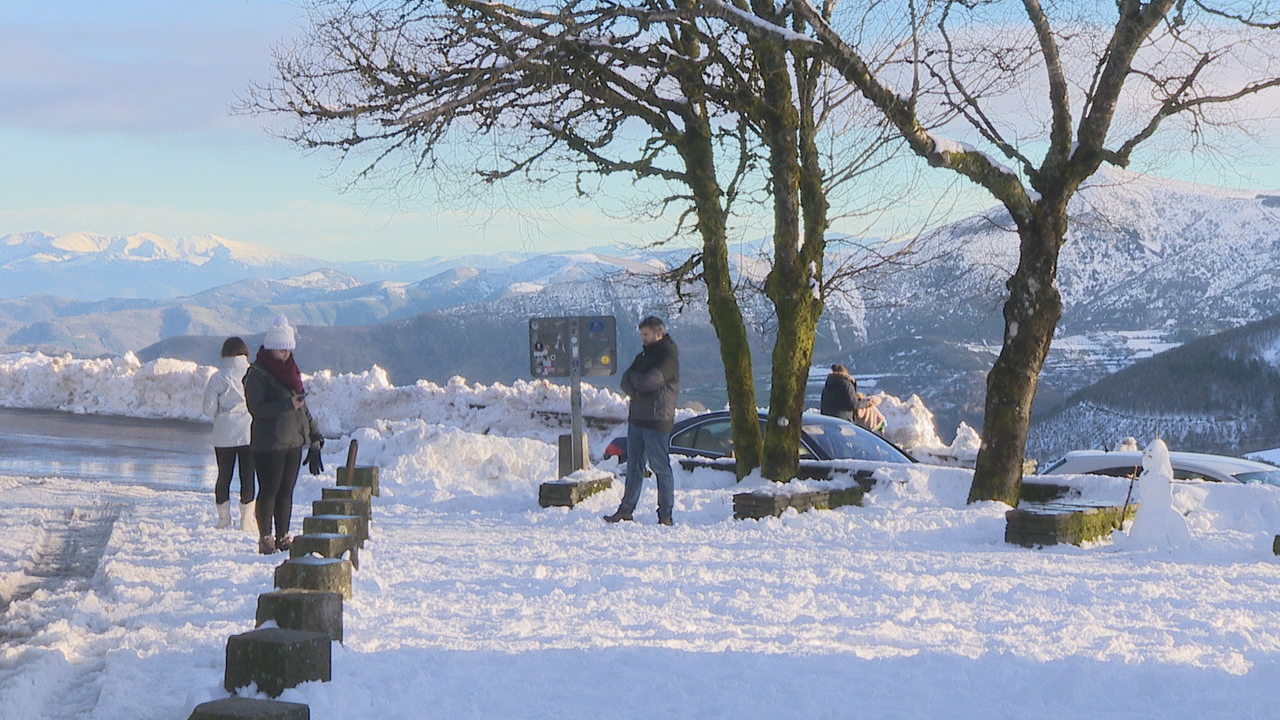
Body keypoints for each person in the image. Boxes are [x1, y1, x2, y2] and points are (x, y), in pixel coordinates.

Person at [243, 315, 324, 555]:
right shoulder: (258, 374)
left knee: (286, 491)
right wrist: (287, 404)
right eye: (281, 350)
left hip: (293, 442)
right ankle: (265, 537)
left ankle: (283, 535)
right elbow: (257, 409)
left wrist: (314, 435)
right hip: (269, 444)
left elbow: (303, 408)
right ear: (270, 349)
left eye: (288, 349)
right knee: (269, 489)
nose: (285, 355)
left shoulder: (291, 372)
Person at [605, 316, 680, 526]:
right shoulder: (643, 356)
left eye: (646, 335)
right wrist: (637, 386)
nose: (643, 339)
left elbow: (650, 381)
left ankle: (665, 514)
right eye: (642, 335)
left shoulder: (668, 358)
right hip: (637, 418)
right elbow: (624, 381)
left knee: (660, 467)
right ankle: (626, 509)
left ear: (659, 333)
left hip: (657, 420)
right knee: (633, 466)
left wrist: (636, 384)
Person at [202, 337, 256, 531]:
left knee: (224, 475)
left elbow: (208, 410)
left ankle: (223, 519)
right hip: (248, 432)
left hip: (223, 434)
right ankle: (246, 520)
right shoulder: (252, 374)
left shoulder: (217, 378)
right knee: (247, 476)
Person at [820, 364, 886, 433]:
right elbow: (854, 404)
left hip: (827, 422)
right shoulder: (847, 384)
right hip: (842, 423)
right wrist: (867, 402)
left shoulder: (828, 385)